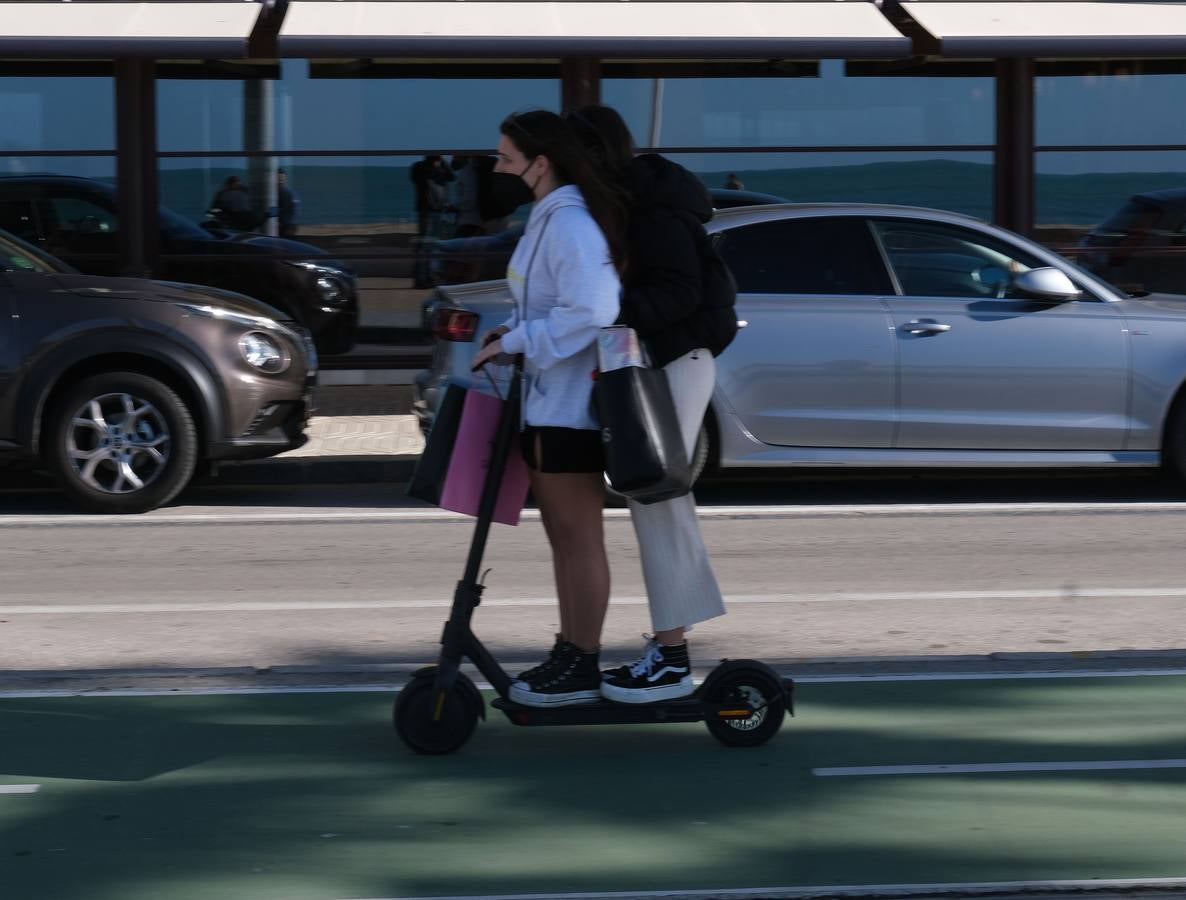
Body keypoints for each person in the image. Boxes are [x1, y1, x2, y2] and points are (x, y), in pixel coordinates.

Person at [565, 104, 730, 704]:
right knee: (658, 498)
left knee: (656, 496)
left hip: (675, 363)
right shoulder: (631, 204)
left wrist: (613, 318)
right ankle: (672, 648)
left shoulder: (653, 210)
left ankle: (673, 655)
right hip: (659, 364)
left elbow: (680, 292)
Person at [469, 110, 626, 708]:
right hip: (545, 404)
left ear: (542, 162)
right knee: (564, 539)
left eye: (507, 154)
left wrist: (516, 342)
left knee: (579, 537)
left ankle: (583, 661)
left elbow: (594, 310)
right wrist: (515, 333)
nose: (497, 163)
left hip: (572, 407)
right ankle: (570, 653)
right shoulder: (548, 219)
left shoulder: (570, 224)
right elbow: (552, 305)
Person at [409, 154, 455, 238]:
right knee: (429, 236)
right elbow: (452, 177)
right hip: (428, 208)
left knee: (428, 235)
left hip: (432, 208)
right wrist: (443, 163)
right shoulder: (420, 167)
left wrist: (442, 164)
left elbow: (452, 177)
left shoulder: (418, 166)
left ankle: (422, 247)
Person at [277, 168, 300, 238]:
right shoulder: (291, 192)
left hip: (286, 226)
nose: (280, 181)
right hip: (291, 225)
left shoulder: (283, 192)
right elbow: (296, 211)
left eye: (281, 179)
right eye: (279, 178)